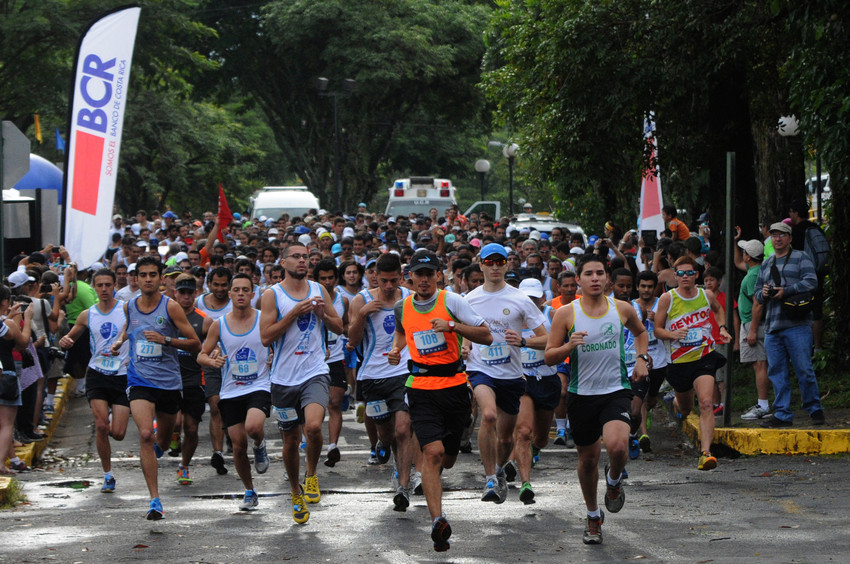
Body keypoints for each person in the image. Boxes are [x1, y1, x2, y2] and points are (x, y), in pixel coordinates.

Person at [388, 249, 491, 552]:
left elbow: (486, 335)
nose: (423, 279)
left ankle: (437, 490)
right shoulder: (401, 307)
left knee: (447, 456)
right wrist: (396, 352)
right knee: (431, 453)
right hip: (420, 387)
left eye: (428, 273)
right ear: (411, 277)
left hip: (455, 387)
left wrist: (453, 327)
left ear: (438, 275)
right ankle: (438, 521)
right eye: (418, 274)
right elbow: (400, 332)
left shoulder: (452, 301)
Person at [544, 254, 649, 545]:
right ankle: (593, 516)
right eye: (588, 273)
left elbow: (641, 333)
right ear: (578, 280)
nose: (594, 278)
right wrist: (568, 345)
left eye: (599, 273)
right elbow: (549, 355)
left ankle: (614, 481)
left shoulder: (622, 308)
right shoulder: (566, 313)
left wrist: (641, 359)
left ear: (607, 279)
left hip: (615, 390)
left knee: (617, 445)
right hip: (581, 395)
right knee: (588, 460)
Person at [110, 256, 201, 520]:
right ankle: (155, 500)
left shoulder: (170, 307)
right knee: (145, 436)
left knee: (162, 438)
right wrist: (119, 341)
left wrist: (167, 340)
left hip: (169, 383)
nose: (148, 279)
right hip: (139, 380)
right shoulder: (129, 306)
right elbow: (130, 328)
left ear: (162, 279)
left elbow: (194, 343)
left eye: (153, 274)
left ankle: (157, 451)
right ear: (135, 279)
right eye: (143, 275)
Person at [260, 244, 343, 524]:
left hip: (314, 370)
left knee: (313, 426)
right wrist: (294, 313)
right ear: (283, 262)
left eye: (306, 257)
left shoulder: (319, 289)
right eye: (296, 256)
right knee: (291, 440)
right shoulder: (272, 295)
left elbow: (339, 327)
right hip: (283, 378)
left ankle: (311, 475)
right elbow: (265, 337)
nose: (302, 261)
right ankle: (295, 492)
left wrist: (322, 316)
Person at [464, 243, 548, 504]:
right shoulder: (469, 299)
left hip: (511, 375)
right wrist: (465, 348)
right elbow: (464, 333)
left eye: (500, 261)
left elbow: (547, 339)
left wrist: (522, 341)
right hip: (480, 370)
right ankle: (489, 477)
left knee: (505, 439)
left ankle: (499, 470)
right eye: (490, 262)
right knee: (487, 415)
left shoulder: (520, 299)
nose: (495, 266)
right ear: (481, 265)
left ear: (507, 264)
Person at [347, 253, 416, 511]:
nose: (388, 286)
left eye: (393, 280)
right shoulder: (361, 299)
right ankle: (382, 445)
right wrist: (362, 315)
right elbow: (352, 341)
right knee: (386, 433)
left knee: (402, 429)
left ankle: (403, 485)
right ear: (375, 276)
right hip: (372, 375)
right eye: (384, 281)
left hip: (403, 372)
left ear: (401, 276)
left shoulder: (409, 298)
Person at [199, 273, 271, 511]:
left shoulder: (264, 319)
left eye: (245, 290)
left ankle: (260, 445)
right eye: (236, 290)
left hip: (259, 385)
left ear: (253, 294)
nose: (241, 294)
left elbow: (279, 342)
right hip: (231, 390)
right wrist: (212, 362)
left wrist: (273, 356)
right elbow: (202, 354)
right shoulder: (219, 324)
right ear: (230, 294)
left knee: (253, 427)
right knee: (238, 444)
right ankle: (249, 491)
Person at [654, 256, 731, 470]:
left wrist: (722, 327)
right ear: (675, 275)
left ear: (696, 274)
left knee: (706, 403)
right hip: (679, 362)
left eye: (689, 273)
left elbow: (717, 309)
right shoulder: (667, 299)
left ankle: (706, 453)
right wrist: (672, 333)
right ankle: (677, 404)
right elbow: (657, 329)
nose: (685, 277)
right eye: (681, 273)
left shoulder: (706, 295)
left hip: (703, 355)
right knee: (686, 408)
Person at [58, 268, 130, 492]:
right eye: (100, 285)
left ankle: (110, 419)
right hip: (97, 374)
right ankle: (108, 474)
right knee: (101, 426)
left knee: (118, 433)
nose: (104, 289)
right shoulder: (88, 314)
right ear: (95, 287)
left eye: (108, 285)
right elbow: (70, 337)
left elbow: (135, 328)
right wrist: (65, 341)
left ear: (114, 286)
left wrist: (122, 341)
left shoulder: (126, 309)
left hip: (122, 375)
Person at [753, 222, 823, 428]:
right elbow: (757, 293)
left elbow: (812, 282)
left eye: (782, 235)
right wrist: (765, 294)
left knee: (804, 369)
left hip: (798, 324)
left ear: (790, 238)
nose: (778, 239)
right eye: (774, 235)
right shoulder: (766, 264)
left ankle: (814, 408)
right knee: (776, 371)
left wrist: (786, 291)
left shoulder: (801, 257)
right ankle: (783, 413)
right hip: (773, 326)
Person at [504, 278, 559, 504]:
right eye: (526, 298)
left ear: (542, 298)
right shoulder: (510, 315)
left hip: (546, 380)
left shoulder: (552, 315)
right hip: (522, 380)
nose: (530, 303)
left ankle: (536, 449)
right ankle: (526, 483)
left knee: (541, 438)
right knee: (524, 432)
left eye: (534, 299)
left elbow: (554, 342)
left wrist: (525, 342)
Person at [171, 274, 214, 484]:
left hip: (194, 379)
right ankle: (171, 437)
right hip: (169, 377)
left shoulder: (204, 320)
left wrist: (213, 354)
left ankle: (184, 466)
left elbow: (213, 345)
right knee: (174, 421)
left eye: (190, 293)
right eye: (182, 293)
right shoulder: (167, 315)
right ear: (175, 293)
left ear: (195, 294)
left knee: (191, 428)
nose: (186, 297)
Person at [195, 266, 233, 475]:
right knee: (216, 405)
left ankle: (231, 437)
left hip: (234, 363)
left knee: (234, 407)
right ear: (209, 284)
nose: (220, 289)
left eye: (224, 285)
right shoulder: (199, 303)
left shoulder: (237, 302)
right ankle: (217, 453)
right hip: (210, 362)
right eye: (216, 284)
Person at [312, 260, 349, 468]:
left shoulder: (343, 300)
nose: (327, 282)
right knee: (313, 407)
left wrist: (350, 338)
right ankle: (306, 442)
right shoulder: (309, 298)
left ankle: (332, 446)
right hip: (314, 359)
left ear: (336, 279)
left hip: (335, 358)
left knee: (335, 402)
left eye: (330, 278)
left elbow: (344, 325)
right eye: (322, 278)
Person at [632, 270, 668, 453]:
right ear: (637, 287)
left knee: (652, 398)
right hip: (639, 359)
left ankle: (647, 414)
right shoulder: (630, 307)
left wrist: (661, 320)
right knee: (642, 397)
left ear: (655, 288)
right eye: (643, 286)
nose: (646, 290)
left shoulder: (662, 304)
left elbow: (673, 326)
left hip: (660, 358)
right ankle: (643, 434)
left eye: (650, 287)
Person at [735, 237, 770, 421]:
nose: (742, 255)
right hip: (751, 323)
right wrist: (735, 241)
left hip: (753, 324)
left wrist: (753, 330)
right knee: (760, 364)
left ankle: (763, 405)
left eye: (744, 252)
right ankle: (762, 403)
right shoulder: (757, 269)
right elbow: (737, 262)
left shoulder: (752, 277)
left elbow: (758, 303)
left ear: (748, 256)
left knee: (760, 364)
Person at [788, 199, 830, 351]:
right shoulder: (815, 227)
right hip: (818, 273)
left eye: (791, 212)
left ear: (796, 213)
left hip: (803, 276)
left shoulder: (797, 231)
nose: (790, 215)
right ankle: (818, 346)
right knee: (817, 310)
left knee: (803, 309)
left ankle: (805, 346)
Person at [0, 287, 33, 474]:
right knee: (6, 423)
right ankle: (0, 463)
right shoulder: (9, 325)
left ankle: (10, 459)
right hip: (7, 374)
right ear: (5, 302)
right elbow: (23, 342)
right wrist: (26, 319)